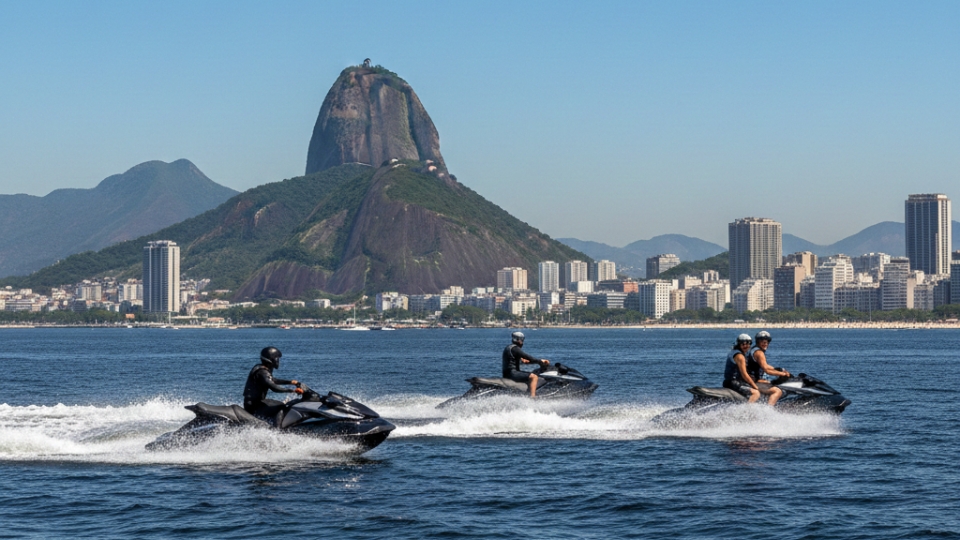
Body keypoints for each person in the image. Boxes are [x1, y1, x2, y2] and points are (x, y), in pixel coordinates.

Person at [242, 346, 302, 419]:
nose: (278, 361)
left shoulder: (261, 369)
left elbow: (272, 380)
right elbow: (274, 387)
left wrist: (291, 382)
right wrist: (292, 391)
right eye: (277, 359)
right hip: (253, 405)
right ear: (272, 359)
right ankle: (276, 429)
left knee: (279, 404)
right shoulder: (262, 372)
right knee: (280, 408)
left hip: (255, 402)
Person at [502, 331, 550, 398]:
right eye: (522, 340)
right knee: (534, 377)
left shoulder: (509, 348)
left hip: (507, 373)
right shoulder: (516, 349)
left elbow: (525, 361)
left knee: (530, 374)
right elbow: (529, 357)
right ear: (519, 340)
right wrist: (541, 361)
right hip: (513, 373)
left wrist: (536, 362)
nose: (522, 342)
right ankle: (533, 398)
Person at [750, 331, 792, 406]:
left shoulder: (754, 350)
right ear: (757, 341)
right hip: (754, 381)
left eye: (766, 341)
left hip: (753, 380)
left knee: (770, 383)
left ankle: (764, 403)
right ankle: (768, 411)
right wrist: (782, 374)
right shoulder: (759, 353)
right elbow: (766, 369)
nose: (765, 343)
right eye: (762, 341)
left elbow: (765, 365)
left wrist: (778, 369)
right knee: (777, 391)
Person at [722, 334, 763, 403]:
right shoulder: (740, 356)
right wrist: (755, 386)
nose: (746, 346)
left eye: (748, 343)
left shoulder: (734, 352)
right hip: (733, 383)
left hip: (730, 381)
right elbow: (744, 374)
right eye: (743, 344)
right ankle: (747, 411)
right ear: (739, 344)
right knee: (756, 393)